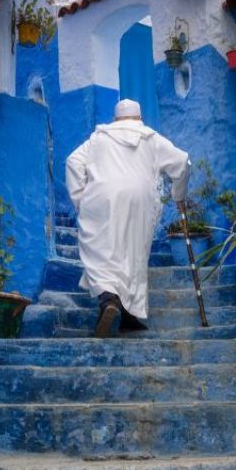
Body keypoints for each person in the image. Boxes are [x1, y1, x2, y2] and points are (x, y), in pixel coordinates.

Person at [65, 99, 190, 338]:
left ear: (115, 120)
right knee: (133, 253)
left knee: (100, 249)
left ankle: (108, 299)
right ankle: (128, 313)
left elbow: (73, 161)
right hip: (140, 199)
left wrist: (81, 198)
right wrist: (178, 194)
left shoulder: (99, 138)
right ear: (139, 118)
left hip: (102, 197)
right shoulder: (150, 138)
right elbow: (182, 162)